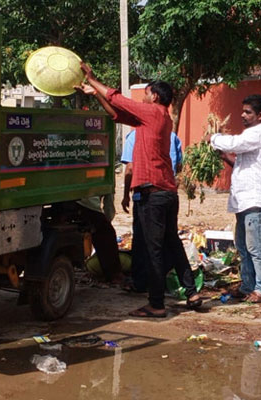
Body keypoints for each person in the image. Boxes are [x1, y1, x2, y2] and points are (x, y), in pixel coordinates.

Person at [75, 62, 199, 318]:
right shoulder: (156, 119)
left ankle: (156, 304)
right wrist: (95, 93)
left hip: (153, 192)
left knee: (153, 249)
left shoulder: (153, 113)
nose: (142, 96)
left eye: (146, 92)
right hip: (165, 191)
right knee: (172, 243)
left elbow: (117, 98)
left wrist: (92, 77)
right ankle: (191, 292)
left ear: (154, 96)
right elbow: (115, 114)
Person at [204, 94, 261, 303]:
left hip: (258, 199)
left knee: (256, 246)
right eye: (243, 111)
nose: (243, 115)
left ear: (260, 115)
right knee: (244, 246)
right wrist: (222, 155)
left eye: (248, 112)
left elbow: (235, 143)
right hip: (245, 200)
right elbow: (241, 162)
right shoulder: (253, 136)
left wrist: (213, 138)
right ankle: (248, 285)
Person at [120, 130, 185, 294]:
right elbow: (179, 167)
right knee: (168, 239)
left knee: (143, 240)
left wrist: (126, 194)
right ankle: (169, 282)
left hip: (146, 195)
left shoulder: (135, 135)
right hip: (169, 194)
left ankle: (142, 283)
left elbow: (130, 169)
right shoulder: (172, 136)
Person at [77, 194, 124, 284]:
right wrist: (107, 221)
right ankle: (113, 274)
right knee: (106, 234)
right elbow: (109, 205)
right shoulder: (108, 180)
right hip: (88, 204)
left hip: (68, 201)